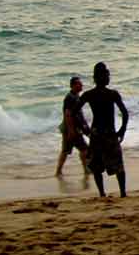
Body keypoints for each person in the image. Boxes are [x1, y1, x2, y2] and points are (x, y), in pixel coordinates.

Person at [75, 62, 129, 197]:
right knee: (118, 166)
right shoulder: (112, 94)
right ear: (102, 77)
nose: (108, 77)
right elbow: (125, 113)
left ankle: (102, 194)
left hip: (96, 134)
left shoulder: (89, 95)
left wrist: (85, 129)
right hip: (110, 134)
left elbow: (75, 112)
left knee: (97, 167)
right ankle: (122, 193)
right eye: (107, 74)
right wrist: (122, 130)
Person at [55, 76, 90, 177]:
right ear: (73, 85)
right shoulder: (70, 98)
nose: (81, 85)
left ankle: (59, 171)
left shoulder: (76, 96)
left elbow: (79, 115)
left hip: (73, 129)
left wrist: (85, 127)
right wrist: (71, 130)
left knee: (66, 150)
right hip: (71, 129)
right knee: (83, 149)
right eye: (79, 84)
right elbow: (68, 114)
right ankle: (85, 169)